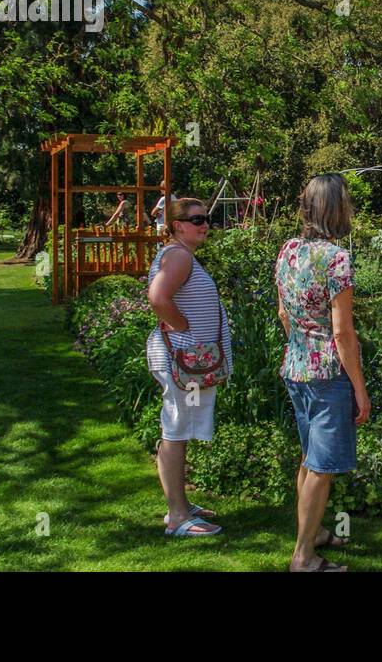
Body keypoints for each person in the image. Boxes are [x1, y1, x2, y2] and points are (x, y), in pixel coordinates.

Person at [275, 173, 370, 572]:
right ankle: (303, 557)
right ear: (338, 208)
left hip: (296, 367)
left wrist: (301, 345)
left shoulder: (288, 250)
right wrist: (360, 391)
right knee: (321, 467)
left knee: (309, 459)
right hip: (328, 373)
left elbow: (283, 312)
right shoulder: (336, 258)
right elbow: (342, 332)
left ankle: (311, 534)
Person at [145, 197, 232, 537]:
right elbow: (157, 297)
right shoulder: (178, 256)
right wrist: (182, 326)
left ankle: (179, 503)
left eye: (207, 218)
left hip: (190, 364)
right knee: (176, 429)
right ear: (177, 224)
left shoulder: (181, 255)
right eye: (197, 219)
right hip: (181, 361)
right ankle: (178, 517)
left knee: (181, 428)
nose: (205, 225)